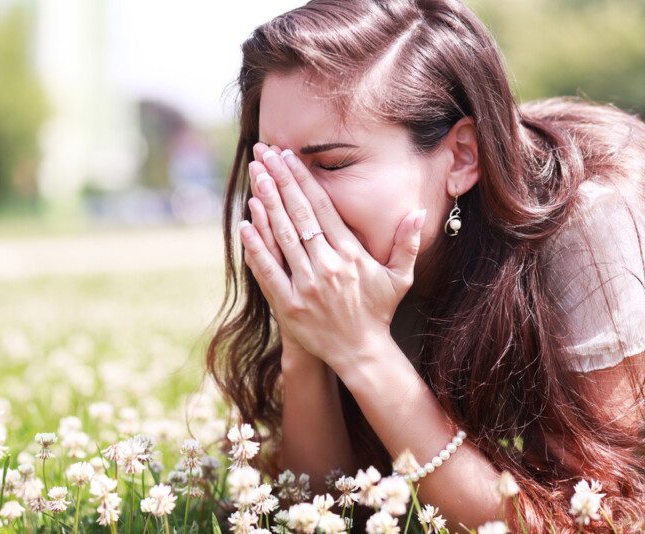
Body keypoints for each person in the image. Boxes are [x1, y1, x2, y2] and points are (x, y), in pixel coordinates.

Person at [203, 0, 645, 531]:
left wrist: (363, 351)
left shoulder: (588, 221)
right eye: (271, 163)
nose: (290, 198)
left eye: (333, 163)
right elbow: (323, 507)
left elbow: (594, 518)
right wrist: (307, 340)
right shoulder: (361, 257)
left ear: (461, 156)